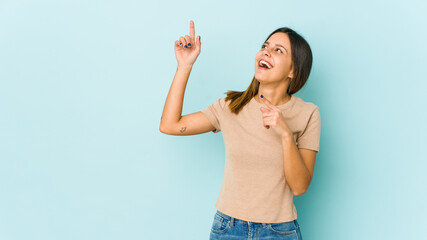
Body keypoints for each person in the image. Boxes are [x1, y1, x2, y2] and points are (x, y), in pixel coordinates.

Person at [160, 20, 320, 240]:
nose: (266, 53)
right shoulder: (231, 106)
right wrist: (184, 66)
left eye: (277, 50)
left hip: (279, 231)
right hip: (228, 229)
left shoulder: (308, 113)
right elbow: (170, 125)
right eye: (264, 46)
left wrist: (285, 133)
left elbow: (300, 187)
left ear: (293, 70)